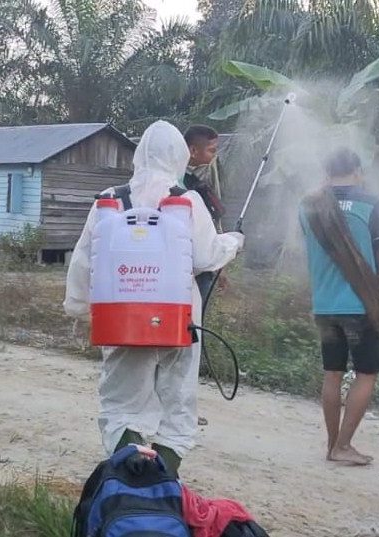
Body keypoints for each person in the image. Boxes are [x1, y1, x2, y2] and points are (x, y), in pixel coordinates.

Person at [64, 121, 244, 476]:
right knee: (177, 408)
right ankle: (161, 484)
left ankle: (130, 481)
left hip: (121, 318)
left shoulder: (109, 200)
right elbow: (206, 257)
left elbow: (85, 256)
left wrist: (80, 307)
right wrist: (234, 242)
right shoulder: (186, 198)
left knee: (119, 405)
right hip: (178, 320)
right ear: (178, 155)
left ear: (139, 156)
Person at [299, 148, 379, 466]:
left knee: (332, 373)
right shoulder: (371, 204)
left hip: (324, 304)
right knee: (366, 374)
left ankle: (332, 445)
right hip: (360, 305)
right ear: (357, 170)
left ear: (327, 171)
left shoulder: (308, 206)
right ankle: (343, 446)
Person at [183, 125, 226, 305]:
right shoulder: (184, 186)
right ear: (193, 150)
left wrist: (220, 265)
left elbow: (214, 225)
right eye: (211, 151)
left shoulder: (200, 183)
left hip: (203, 268)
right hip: (191, 269)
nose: (214, 158)